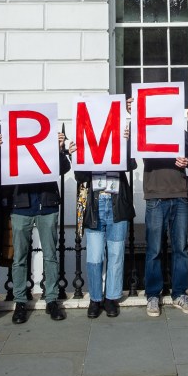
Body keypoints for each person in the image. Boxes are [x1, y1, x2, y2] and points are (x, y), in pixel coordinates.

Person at [0, 126, 70, 323]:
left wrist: (59, 149)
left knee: (50, 255)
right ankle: (20, 301)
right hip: (20, 204)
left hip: (47, 203)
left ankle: (51, 299)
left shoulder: (45, 137)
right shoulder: (9, 138)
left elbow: (64, 168)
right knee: (19, 257)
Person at [70, 119, 136, 319]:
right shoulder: (87, 144)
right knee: (94, 257)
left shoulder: (119, 142)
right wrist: (76, 154)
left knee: (116, 255)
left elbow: (130, 164)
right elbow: (80, 176)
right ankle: (95, 298)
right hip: (95, 206)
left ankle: (111, 298)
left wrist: (126, 143)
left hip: (116, 205)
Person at [144, 107, 188, 317]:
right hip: (155, 195)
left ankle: (179, 294)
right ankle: (153, 295)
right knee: (154, 249)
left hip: (179, 194)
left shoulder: (181, 132)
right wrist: (131, 113)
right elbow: (131, 152)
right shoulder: (146, 130)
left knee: (180, 249)